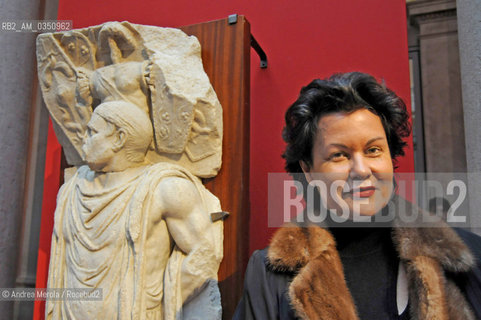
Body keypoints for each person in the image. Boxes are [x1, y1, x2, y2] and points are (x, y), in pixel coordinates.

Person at [233, 72, 481, 320]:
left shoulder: (467, 254)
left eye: (373, 150)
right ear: (308, 170)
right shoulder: (271, 275)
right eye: (339, 155)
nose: (361, 170)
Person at [46, 100, 223, 319]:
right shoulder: (72, 191)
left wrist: (164, 301)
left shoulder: (164, 188)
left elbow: (203, 254)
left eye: (93, 132)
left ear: (119, 139)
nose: (84, 140)